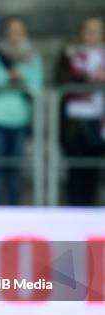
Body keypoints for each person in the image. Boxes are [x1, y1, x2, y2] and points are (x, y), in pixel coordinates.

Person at [0, 17, 43, 205]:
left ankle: (14, 210)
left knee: (15, 170)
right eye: (12, 32)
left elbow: (37, 86)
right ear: (6, 34)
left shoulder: (32, 58)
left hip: (20, 119)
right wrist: (6, 77)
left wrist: (23, 78)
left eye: (19, 32)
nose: (16, 36)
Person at [56, 16, 105, 206]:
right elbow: (62, 79)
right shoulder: (70, 54)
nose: (92, 35)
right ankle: (74, 212)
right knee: (75, 171)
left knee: (94, 172)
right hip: (75, 122)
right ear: (81, 33)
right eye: (89, 30)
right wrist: (86, 79)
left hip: (99, 120)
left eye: (97, 30)